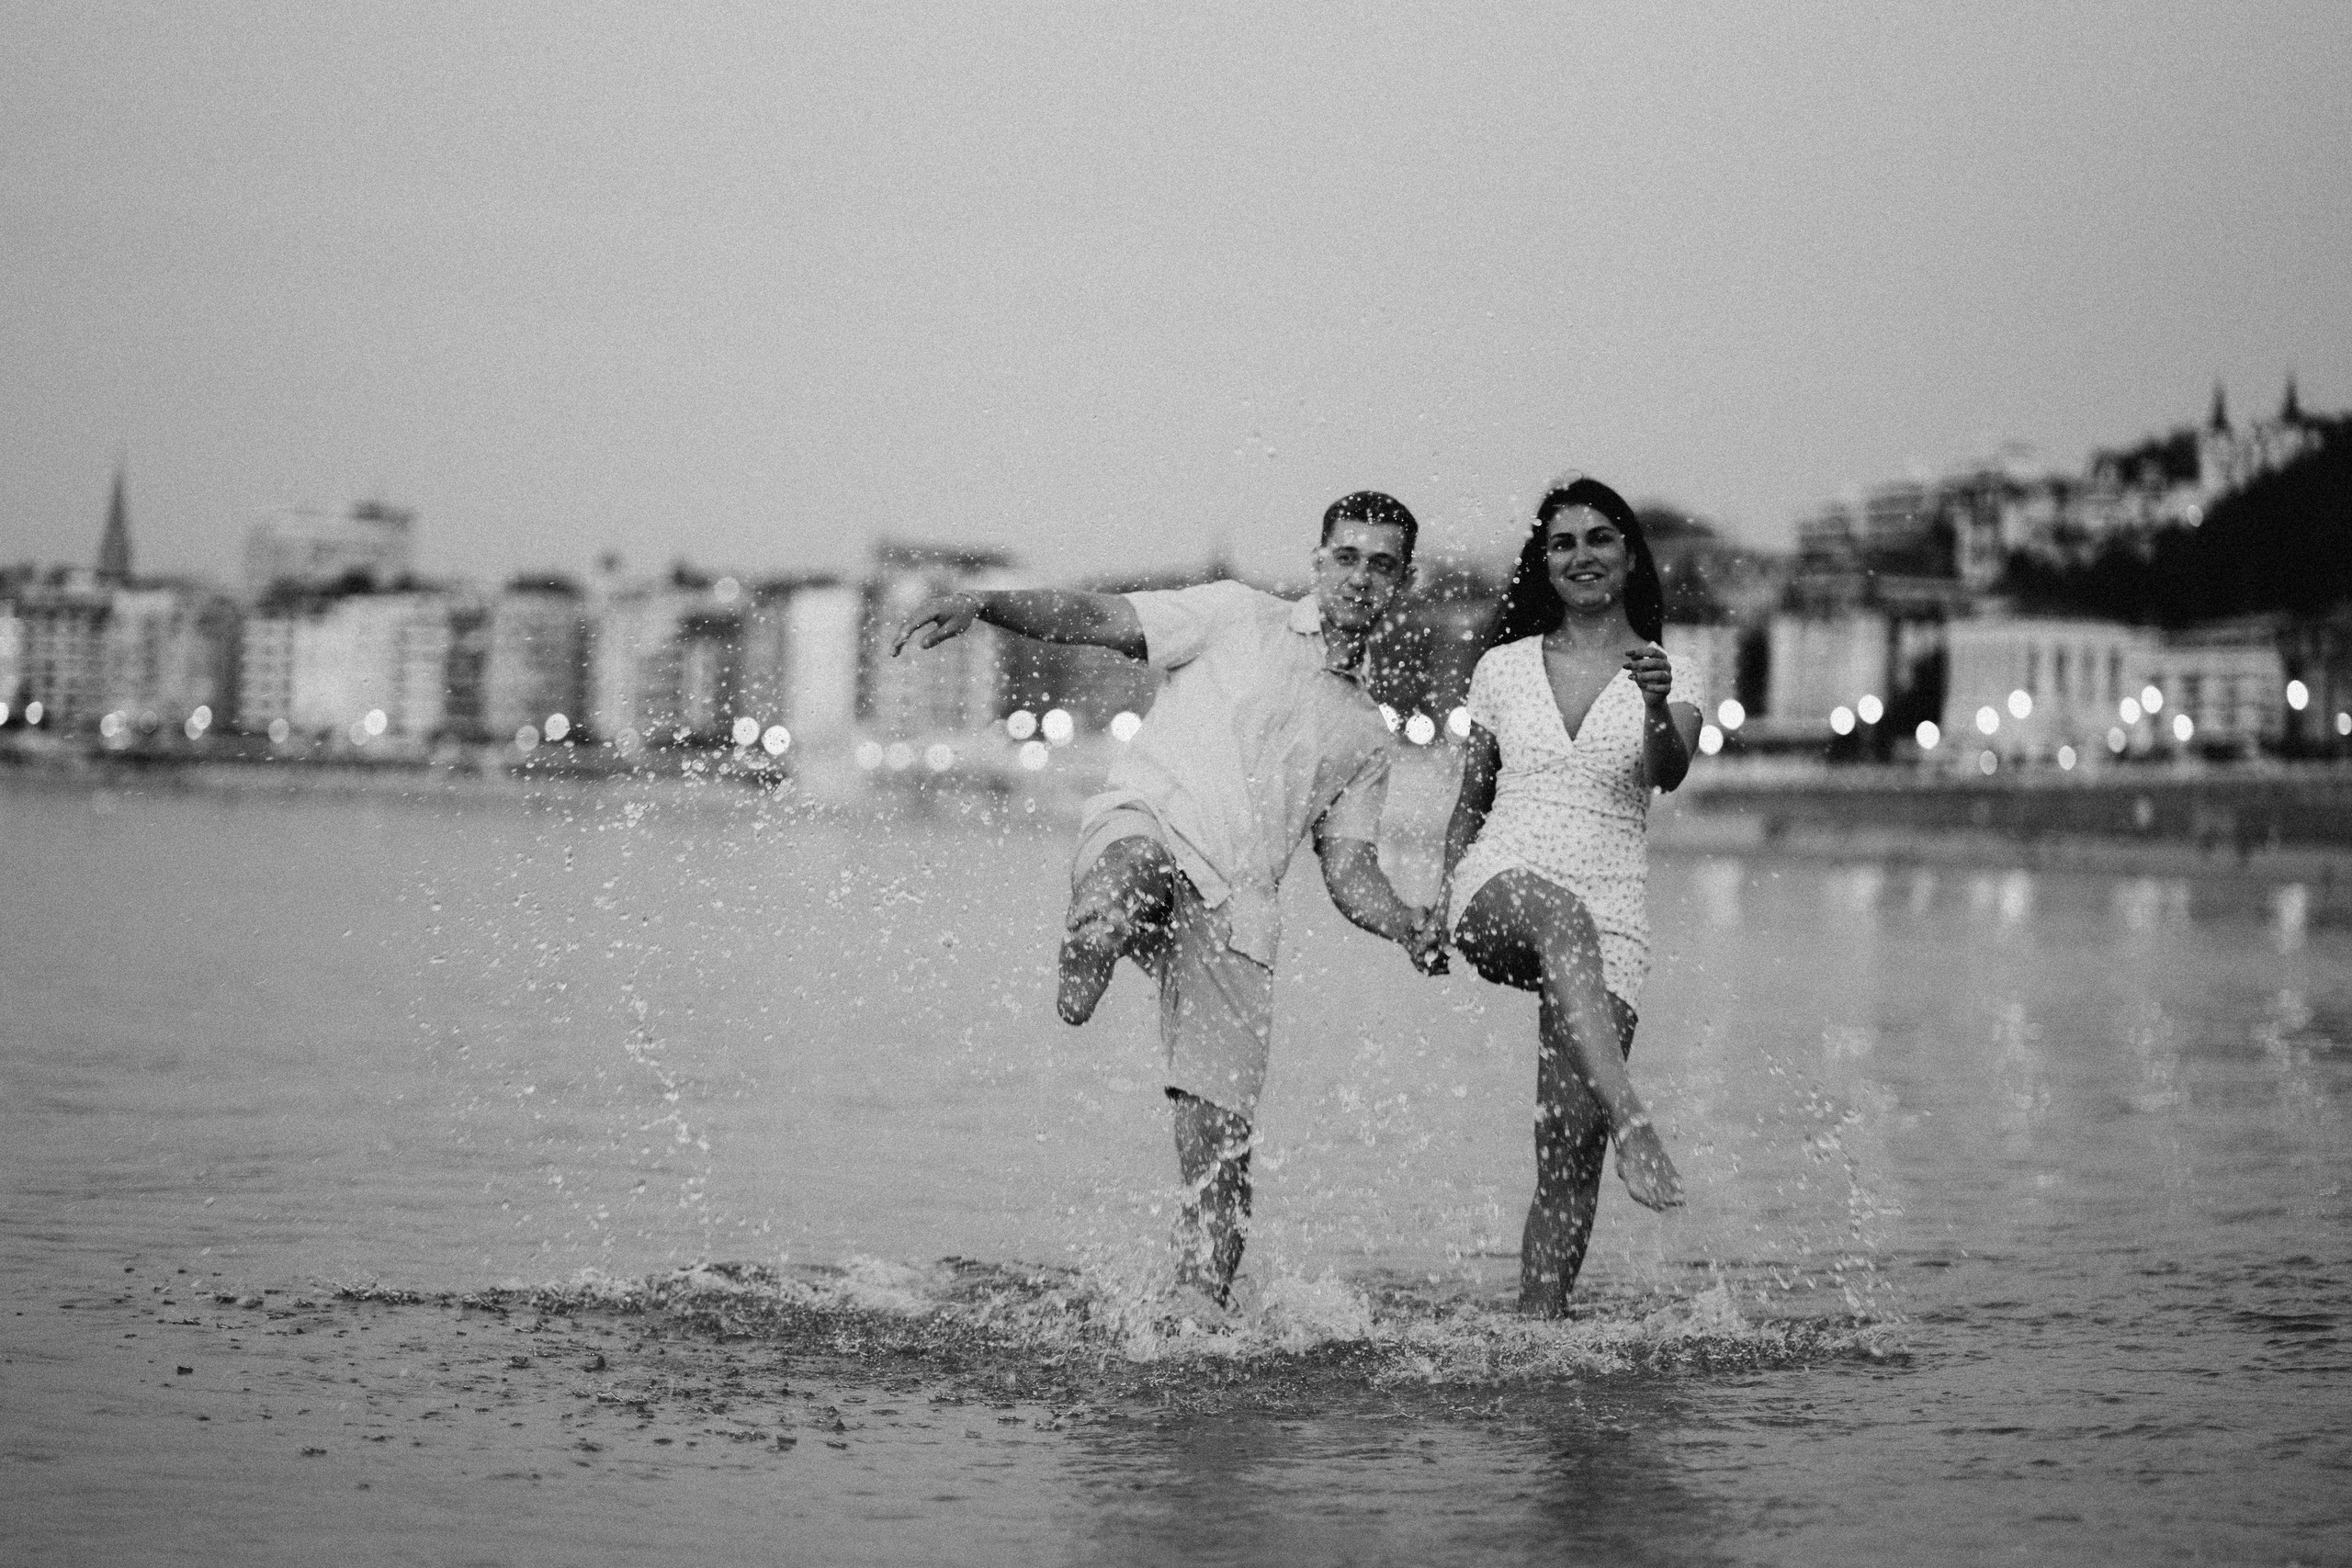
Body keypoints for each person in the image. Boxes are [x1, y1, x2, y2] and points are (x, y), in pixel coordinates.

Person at [892, 491, 1448, 1304]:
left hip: (1238, 912)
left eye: (1382, 565)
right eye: (1348, 557)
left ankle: (1199, 1311)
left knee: (1220, 1150)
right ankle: (1092, 938)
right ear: (1318, 560)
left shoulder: (1367, 731)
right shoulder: (1234, 616)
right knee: (1133, 872)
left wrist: (1405, 922)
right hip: (1150, 824)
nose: (1361, 577)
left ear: (1402, 581)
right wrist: (985, 604)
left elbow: (1349, 868)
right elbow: (1097, 615)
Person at [1437, 475, 1698, 1316]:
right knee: (1559, 915)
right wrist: (1441, 900)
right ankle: (1637, 1122)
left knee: (1566, 1146)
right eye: (1562, 543)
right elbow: (1470, 801)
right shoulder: (1502, 668)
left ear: (1628, 554)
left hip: (1614, 907)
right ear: (1543, 565)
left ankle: (1535, 1339)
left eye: (1598, 538)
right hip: (1504, 881)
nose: (1580, 555)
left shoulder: (1669, 669)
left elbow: (1667, 773)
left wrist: (1656, 706)